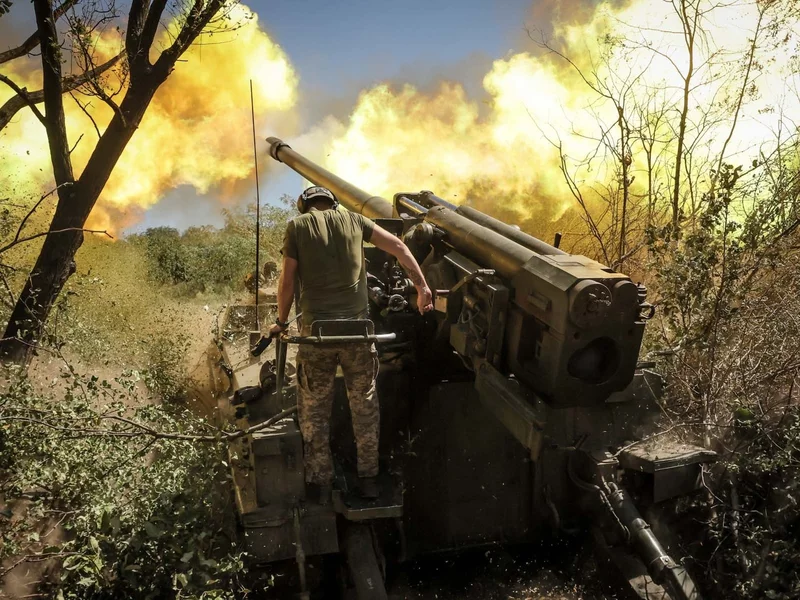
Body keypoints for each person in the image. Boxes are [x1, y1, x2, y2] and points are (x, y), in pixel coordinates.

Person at [269, 186, 433, 501]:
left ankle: (321, 483)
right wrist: (422, 287)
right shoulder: (356, 221)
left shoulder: (297, 226)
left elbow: (287, 280)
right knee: (365, 408)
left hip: (317, 335)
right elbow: (399, 246)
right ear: (333, 203)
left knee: (315, 411)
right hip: (359, 334)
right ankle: (369, 480)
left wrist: (281, 321)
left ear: (304, 205)